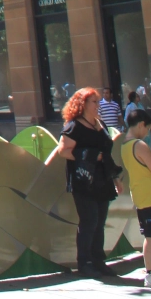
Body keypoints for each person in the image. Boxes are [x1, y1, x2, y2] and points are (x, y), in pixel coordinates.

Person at [47, 86, 123, 277]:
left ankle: (98, 261)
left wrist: (115, 178)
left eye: (98, 101)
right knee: (89, 220)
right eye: (95, 102)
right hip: (84, 180)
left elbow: (107, 151)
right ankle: (85, 262)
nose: (98, 105)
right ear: (83, 104)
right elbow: (63, 151)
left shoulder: (100, 124)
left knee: (100, 221)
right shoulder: (74, 126)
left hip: (102, 179)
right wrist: (89, 156)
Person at [116, 105, 151, 291]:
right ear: (141, 124)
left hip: (142, 196)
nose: (148, 132)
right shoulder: (140, 145)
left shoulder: (124, 146)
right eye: (148, 128)